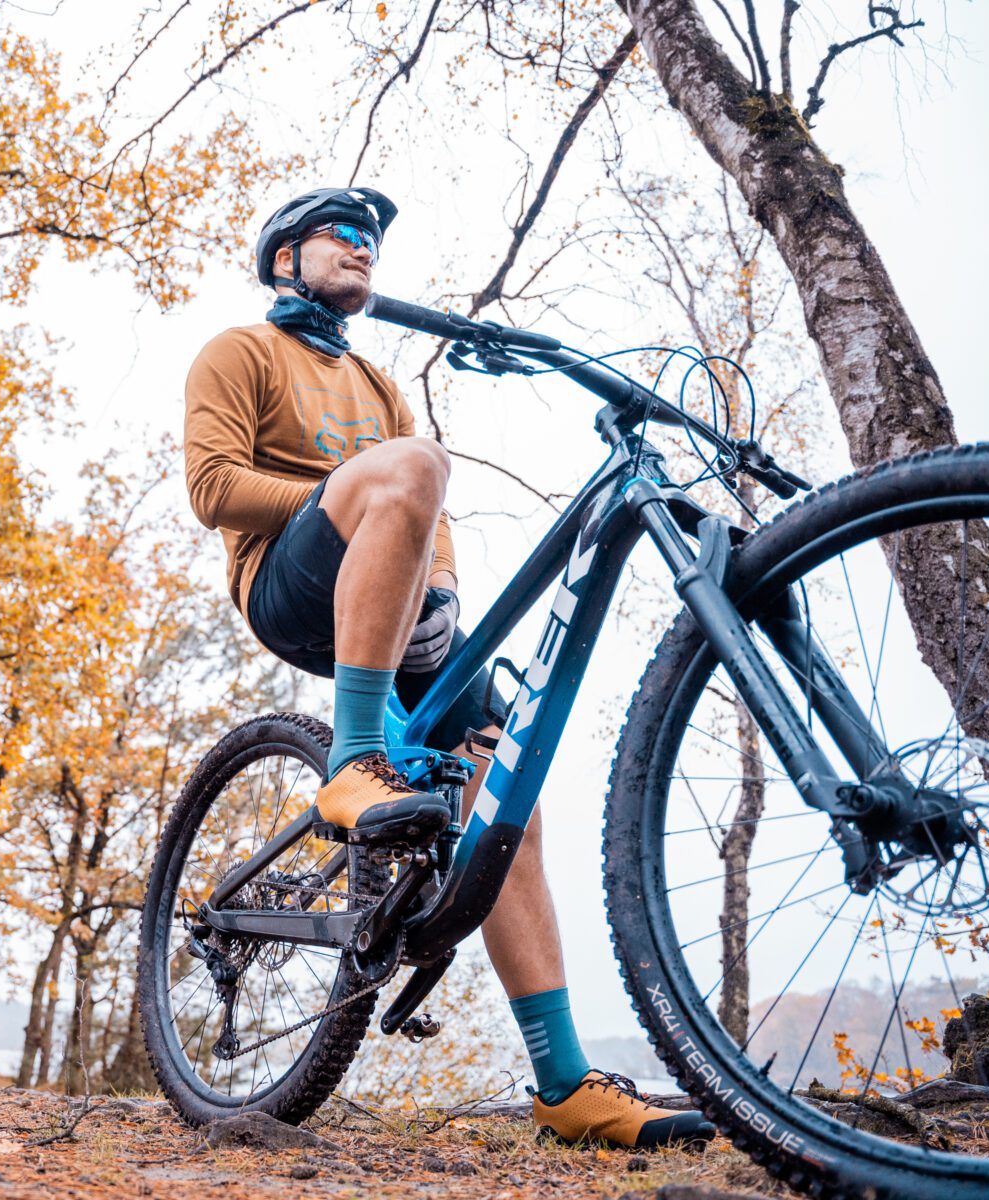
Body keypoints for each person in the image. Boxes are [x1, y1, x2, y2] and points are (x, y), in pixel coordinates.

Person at [181, 186, 715, 1150]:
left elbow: (429, 520)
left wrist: (440, 602)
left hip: (394, 601)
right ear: (283, 260)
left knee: (507, 800)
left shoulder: (378, 384)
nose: (362, 248)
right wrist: (352, 495)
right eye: (342, 235)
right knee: (414, 465)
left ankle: (564, 1084)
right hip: (290, 584)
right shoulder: (241, 352)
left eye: (372, 242)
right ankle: (352, 759)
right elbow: (214, 487)